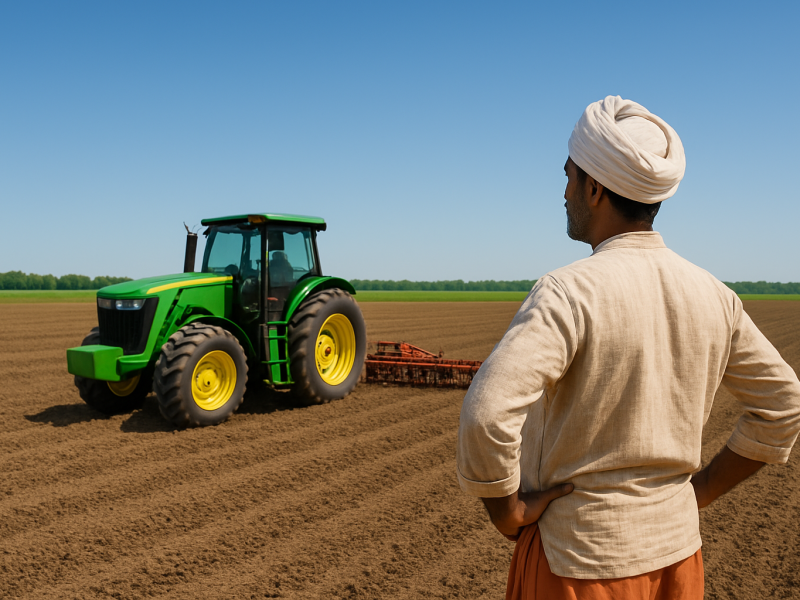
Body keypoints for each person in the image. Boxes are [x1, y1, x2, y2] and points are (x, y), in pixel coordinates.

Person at [456, 95, 800, 599]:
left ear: (594, 188)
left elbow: (486, 413)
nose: (564, 192)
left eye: (569, 176)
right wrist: (699, 491)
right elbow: (783, 404)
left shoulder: (567, 291)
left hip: (575, 562)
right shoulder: (714, 295)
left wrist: (507, 511)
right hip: (678, 560)